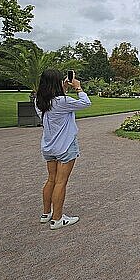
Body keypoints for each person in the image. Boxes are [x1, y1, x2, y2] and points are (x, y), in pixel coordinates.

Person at [35, 69, 91, 230]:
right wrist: (78, 88)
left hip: (49, 146)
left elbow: (56, 102)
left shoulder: (39, 101)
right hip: (65, 146)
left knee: (51, 179)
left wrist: (64, 89)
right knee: (61, 181)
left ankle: (46, 214)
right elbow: (86, 103)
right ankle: (58, 219)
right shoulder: (62, 101)